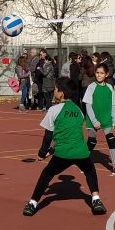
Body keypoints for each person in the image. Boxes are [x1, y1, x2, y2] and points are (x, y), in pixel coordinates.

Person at [23, 77, 106, 218]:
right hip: (81, 151)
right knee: (89, 170)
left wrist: (42, 153)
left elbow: (48, 136)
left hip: (63, 153)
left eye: (56, 88)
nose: (54, 90)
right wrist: (52, 151)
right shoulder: (79, 111)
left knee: (47, 174)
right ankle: (96, 199)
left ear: (61, 93)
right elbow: (70, 135)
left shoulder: (54, 110)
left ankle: (32, 203)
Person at [83, 63, 115, 177]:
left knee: (112, 140)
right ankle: (84, 162)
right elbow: (88, 105)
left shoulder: (109, 88)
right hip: (93, 120)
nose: (99, 75)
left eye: (101, 73)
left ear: (107, 74)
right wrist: (95, 121)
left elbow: (112, 106)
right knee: (91, 142)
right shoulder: (91, 87)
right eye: (97, 73)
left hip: (106, 120)